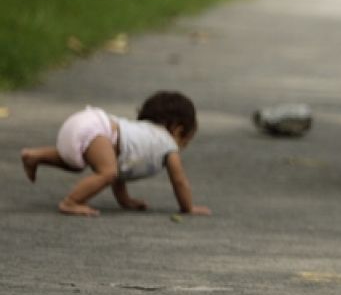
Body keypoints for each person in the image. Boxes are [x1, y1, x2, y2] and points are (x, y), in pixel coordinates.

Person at [20, 91, 211, 218]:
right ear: (178, 131)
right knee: (106, 172)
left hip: (82, 121)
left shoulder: (141, 133)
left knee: (77, 162)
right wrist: (188, 207)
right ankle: (71, 202)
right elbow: (179, 181)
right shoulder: (168, 144)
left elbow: (121, 168)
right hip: (97, 128)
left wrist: (124, 200)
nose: (182, 146)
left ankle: (35, 156)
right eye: (186, 141)